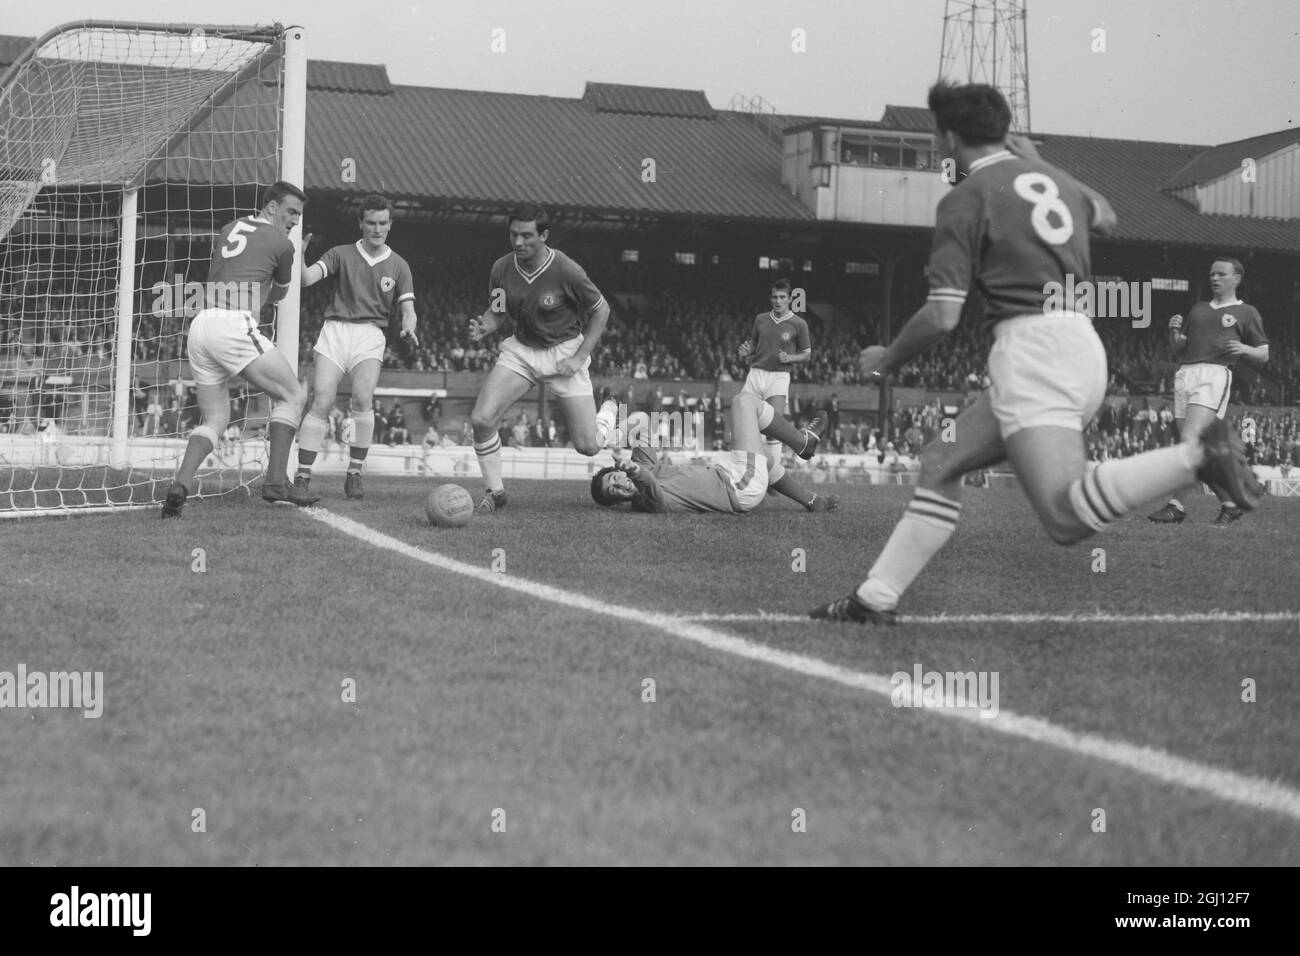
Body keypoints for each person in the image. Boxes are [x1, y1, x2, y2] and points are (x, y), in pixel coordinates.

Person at [808, 82, 1259, 624]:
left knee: (1065, 518)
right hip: (1080, 342)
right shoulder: (1056, 183)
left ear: (948, 136)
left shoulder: (964, 197)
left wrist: (887, 356)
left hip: (1033, 352)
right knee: (941, 460)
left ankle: (1199, 457)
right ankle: (874, 599)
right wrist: (1045, 164)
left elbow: (943, 314)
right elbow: (1107, 214)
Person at [162, 181, 318, 517]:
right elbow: (277, 297)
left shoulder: (230, 227)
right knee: (294, 396)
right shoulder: (281, 244)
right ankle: (276, 481)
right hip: (233, 325)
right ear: (272, 207)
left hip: (200, 324)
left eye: (299, 215)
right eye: (290, 211)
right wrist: (290, 255)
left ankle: (181, 485)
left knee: (217, 418)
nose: (294, 220)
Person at [467, 203, 618, 511]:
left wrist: (578, 358)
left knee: (588, 446)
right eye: (513, 235)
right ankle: (495, 492)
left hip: (564, 352)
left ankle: (610, 410)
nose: (518, 243)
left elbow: (601, 310)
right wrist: (485, 326)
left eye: (526, 236)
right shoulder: (502, 268)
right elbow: (497, 312)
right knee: (481, 419)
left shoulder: (566, 269)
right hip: (522, 351)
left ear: (544, 235)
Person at [294, 194, 417, 500]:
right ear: (360, 223)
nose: (377, 229)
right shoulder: (341, 254)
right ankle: (302, 477)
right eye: (371, 223)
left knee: (362, 399)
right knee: (322, 399)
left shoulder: (399, 265)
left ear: (391, 224)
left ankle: (354, 473)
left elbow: (409, 308)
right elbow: (307, 279)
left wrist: (409, 323)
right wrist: (298, 255)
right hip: (335, 331)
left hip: (370, 334)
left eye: (383, 223)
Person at [1147, 258, 1269, 526]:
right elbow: (1180, 349)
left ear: (1236, 279)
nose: (1214, 278)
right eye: (1212, 273)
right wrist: (1174, 333)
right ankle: (1229, 504)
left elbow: (1263, 353)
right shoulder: (1199, 308)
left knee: (1190, 441)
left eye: (1221, 274)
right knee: (1195, 448)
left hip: (1214, 374)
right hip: (1185, 374)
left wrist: (1245, 350)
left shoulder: (1246, 312)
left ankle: (1176, 505)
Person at [590, 391, 834, 514]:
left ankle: (813, 501)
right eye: (614, 492)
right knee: (743, 401)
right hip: (737, 488)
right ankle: (803, 443)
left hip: (729, 475)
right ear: (620, 501)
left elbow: (642, 420)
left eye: (613, 479)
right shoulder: (645, 501)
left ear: (616, 470)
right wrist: (634, 470)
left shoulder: (644, 466)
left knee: (767, 459)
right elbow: (650, 485)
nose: (619, 486)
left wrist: (617, 436)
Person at [736, 278, 829, 512]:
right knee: (746, 423)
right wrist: (746, 352)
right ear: (771, 298)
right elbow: (754, 347)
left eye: (782, 297)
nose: (778, 301)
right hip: (756, 374)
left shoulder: (799, 324)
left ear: (790, 299)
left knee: (772, 425)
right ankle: (770, 474)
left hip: (779, 377)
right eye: (774, 297)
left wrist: (791, 359)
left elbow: (807, 354)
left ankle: (771, 476)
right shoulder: (761, 319)